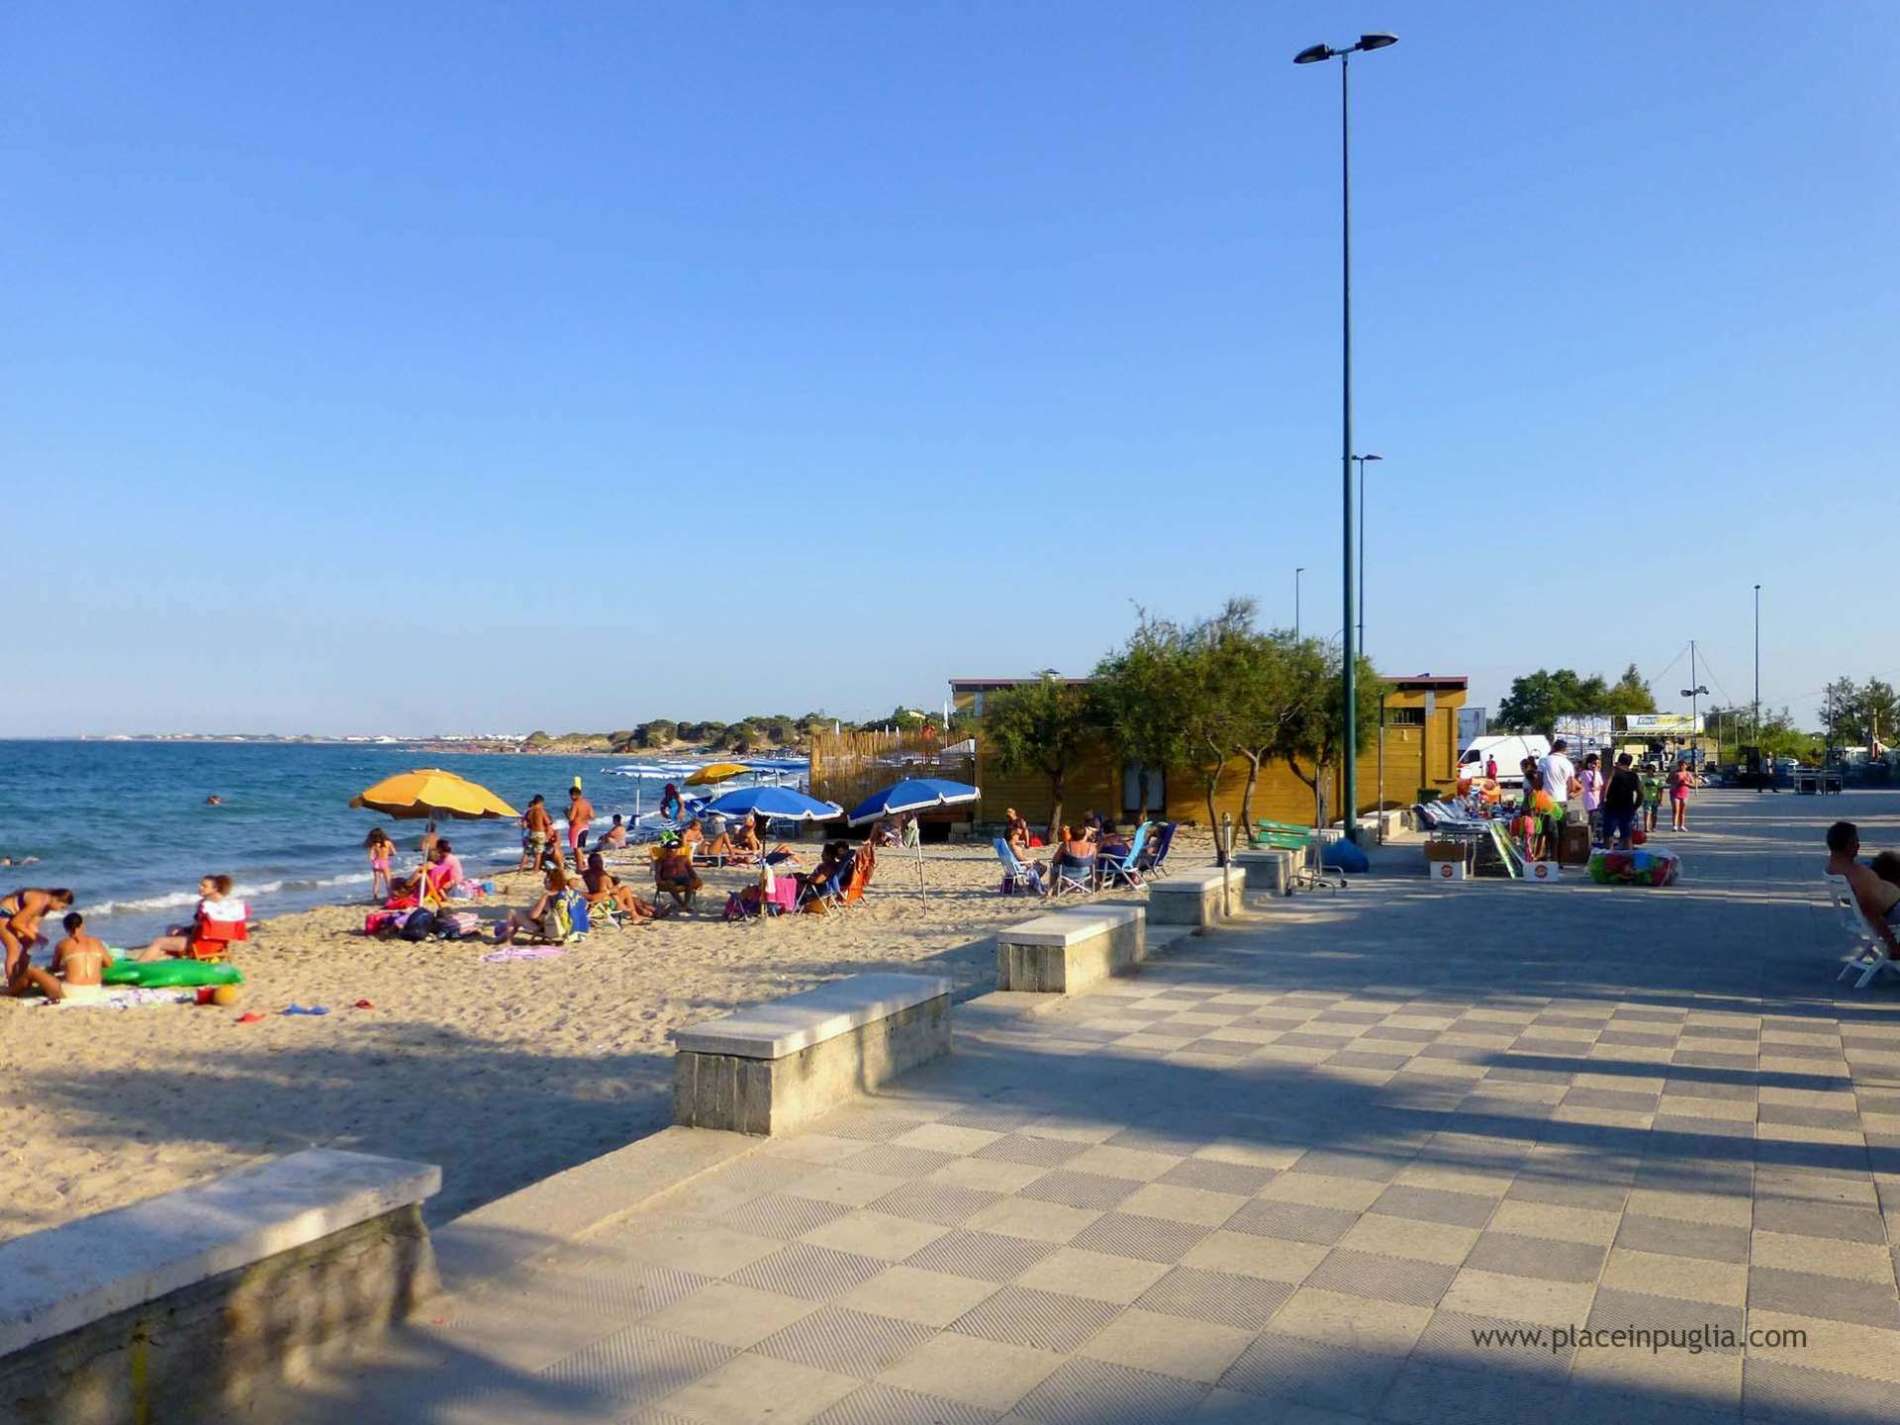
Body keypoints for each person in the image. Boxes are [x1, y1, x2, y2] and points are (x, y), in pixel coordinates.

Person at [1827, 822, 1900, 956]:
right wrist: (1892, 944)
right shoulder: (1860, 876)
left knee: (1886, 861)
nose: (1859, 845)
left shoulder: (1834, 868)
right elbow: (1871, 912)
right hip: (1892, 911)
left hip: (1883, 900)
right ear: (1849, 845)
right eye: (1856, 841)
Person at [135, 875, 242, 960]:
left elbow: (198, 929)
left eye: (204, 886)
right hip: (217, 946)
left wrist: (184, 931)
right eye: (200, 884)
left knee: (158, 942)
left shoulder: (207, 907)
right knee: (173, 927)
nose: (199, 887)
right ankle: (167, 952)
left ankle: (136, 968)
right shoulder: (228, 907)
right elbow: (205, 928)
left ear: (215, 889)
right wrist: (184, 930)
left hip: (198, 946)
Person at [2, 888, 75, 998]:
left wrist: (39, 938)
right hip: (4, 914)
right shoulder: (39, 901)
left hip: (14, 918)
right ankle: (12, 984)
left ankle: (20, 979)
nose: (61, 910)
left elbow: (32, 926)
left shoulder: (47, 907)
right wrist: (35, 937)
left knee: (29, 945)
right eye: (62, 907)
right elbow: (16, 922)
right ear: (56, 899)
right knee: (13, 948)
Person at [495, 867, 581, 944]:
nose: (544, 883)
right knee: (522, 914)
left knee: (513, 913)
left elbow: (533, 915)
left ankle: (508, 940)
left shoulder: (548, 895)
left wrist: (540, 902)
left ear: (551, 882)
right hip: (568, 928)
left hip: (551, 928)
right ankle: (501, 938)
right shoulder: (568, 892)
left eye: (546, 880)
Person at [582, 852, 665, 920]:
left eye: (600, 861)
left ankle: (649, 911)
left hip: (604, 900)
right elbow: (603, 893)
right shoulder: (602, 876)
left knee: (633, 899)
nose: (599, 864)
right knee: (626, 890)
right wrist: (612, 889)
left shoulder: (587, 874)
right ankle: (636, 915)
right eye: (598, 862)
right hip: (606, 902)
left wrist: (612, 880)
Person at [50, 912, 111, 1002]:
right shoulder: (97, 942)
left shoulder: (62, 944)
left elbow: (54, 968)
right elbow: (109, 964)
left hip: (72, 991)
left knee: (35, 972)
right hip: (95, 989)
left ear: (66, 928)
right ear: (82, 925)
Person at [1601, 754, 1644, 850]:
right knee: (1627, 835)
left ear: (1619, 761)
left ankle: (1608, 857)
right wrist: (1635, 806)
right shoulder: (1633, 775)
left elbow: (1606, 786)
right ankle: (1628, 858)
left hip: (1611, 807)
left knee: (1608, 834)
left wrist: (1603, 800)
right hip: (1627, 808)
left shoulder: (1613, 771)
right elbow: (1640, 793)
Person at [1538, 739, 1577, 827]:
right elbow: (1572, 787)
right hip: (1562, 800)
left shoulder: (1543, 761)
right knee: (1561, 829)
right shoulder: (1568, 763)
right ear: (1565, 750)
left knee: (1549, 830)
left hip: (1547, 800)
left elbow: (1539, 782)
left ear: (1553, 748)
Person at [519, 795, 554, 872]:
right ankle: (535, 870)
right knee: (538, 854)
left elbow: (526, 823)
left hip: (531, 833)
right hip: (540, 833)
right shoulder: (541, 810)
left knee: (527, 853)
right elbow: (548, 822)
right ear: (541, 802)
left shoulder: (530, 811)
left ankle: (520, 870)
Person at [566, 785, 594, 871]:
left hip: (576, 828)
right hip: (585, 827)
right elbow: (592, 816)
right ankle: (582, 863)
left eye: (570, 796)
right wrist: (583, 817)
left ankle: (579, 867)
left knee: (576, 848)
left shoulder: (575, 804)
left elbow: (571, 818)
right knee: (580, 847)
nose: (570, 798)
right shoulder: (587, 803)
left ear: (573, 795)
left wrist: (567, 812)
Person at [1579, 753, 1605, 844]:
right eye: (1594, 763)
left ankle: (1596, 836)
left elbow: (1600, 786)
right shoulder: (1585, 773)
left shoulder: (1598, 773)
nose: (1596, 765)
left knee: (1598, 819)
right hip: (1590, 799)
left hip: (1597, 798)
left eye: (1597, 763)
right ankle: (1590, 837)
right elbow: (1592, 786)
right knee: (1593, 818)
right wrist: (1594, 773)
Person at [364, 828, 396, 901]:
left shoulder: (374, 845)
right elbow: (394, 853)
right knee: (388, 880)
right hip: (384, 862)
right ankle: (390, 896)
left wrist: (374, 859)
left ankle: (375, 896)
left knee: (376, 881)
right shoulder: (388, 843)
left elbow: (370, 857)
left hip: (376, 863)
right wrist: (388, 854)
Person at [1668, 759, 1693, 832]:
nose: (1682, 766)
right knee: (1676, 810)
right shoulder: (1674, 773)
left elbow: (1693, 784)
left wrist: (1686, 783)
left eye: (1683, 765)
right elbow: (1668, 781)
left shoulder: (1688, 774)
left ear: (1686, 766)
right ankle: (1675, 826)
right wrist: (1675, 781)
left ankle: (1682, 825)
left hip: (1684, 793)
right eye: (1680, 765)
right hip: (1675, 793)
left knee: (1682, 810)